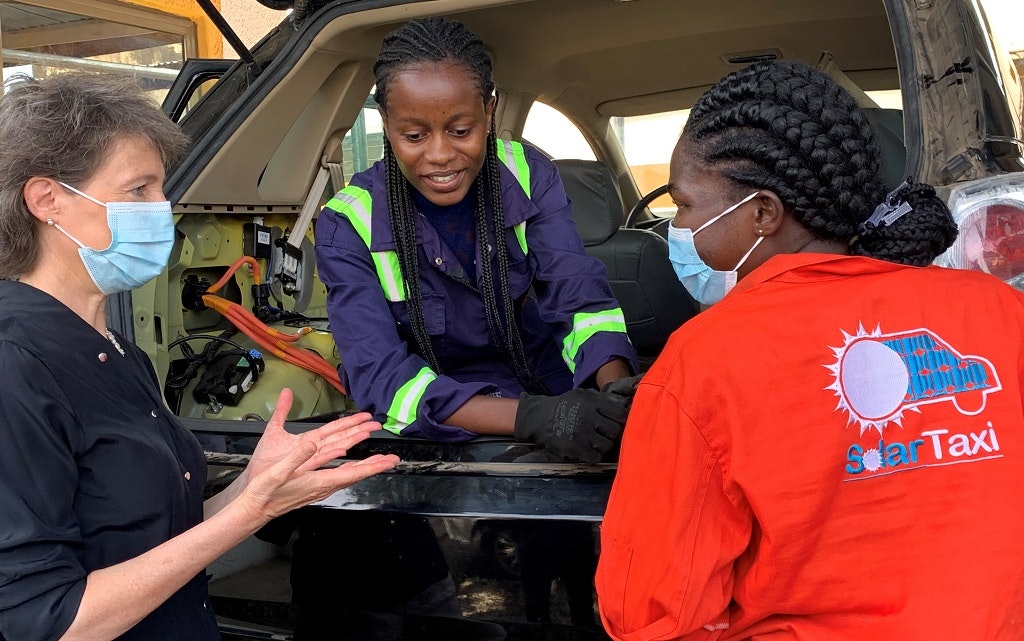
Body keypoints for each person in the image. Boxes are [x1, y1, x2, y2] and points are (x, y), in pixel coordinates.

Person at [595, 59, 1024, 640]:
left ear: (762, 213)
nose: (681, 225)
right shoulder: (997, 309)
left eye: (688, 206)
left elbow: (645, 608)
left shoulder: (701, 362)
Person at [0, 73, 399, 641]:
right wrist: (250, 512)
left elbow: (161, 548)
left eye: (161, 189)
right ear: (48, 201)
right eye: (139, 190)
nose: (162, 209)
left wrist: (255, 486)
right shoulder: (14, 364)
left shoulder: (118, 353)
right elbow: (45, 622)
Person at [314, 17, 639, 464]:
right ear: (386, 124)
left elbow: (578, 298)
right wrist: (533, 418)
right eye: (413, 136)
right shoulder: (347, 223)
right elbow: (382, 380)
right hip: (457, 426)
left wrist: (616, 391)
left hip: (559, 391)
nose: (441, 155)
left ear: (489, 111)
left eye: (461, 130)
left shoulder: (527, 175)